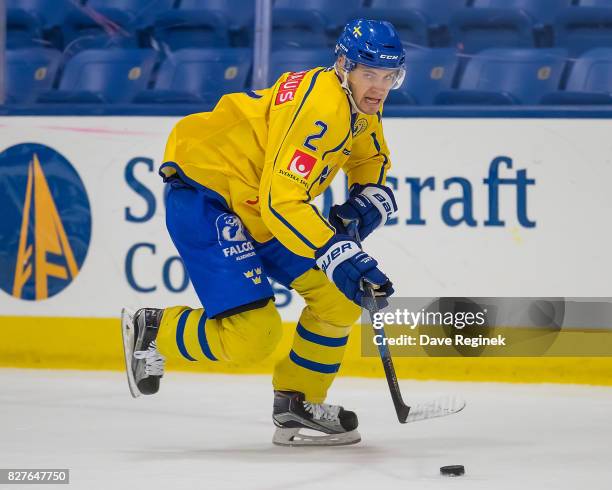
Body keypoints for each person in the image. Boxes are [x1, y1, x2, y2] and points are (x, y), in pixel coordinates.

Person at [121, 18, 405, 447]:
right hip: (209, 192)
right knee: (254, 337)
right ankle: (156, 328)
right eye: (370, 74)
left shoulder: (358, 100)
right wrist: (340, 251)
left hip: (257, 199)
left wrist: (367, 196)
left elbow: (369, 156)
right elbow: (282, 203)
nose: (379, 87)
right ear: (344, 65)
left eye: (389, 76)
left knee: (338, 300)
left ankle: (297, 402)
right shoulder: (323, 109)